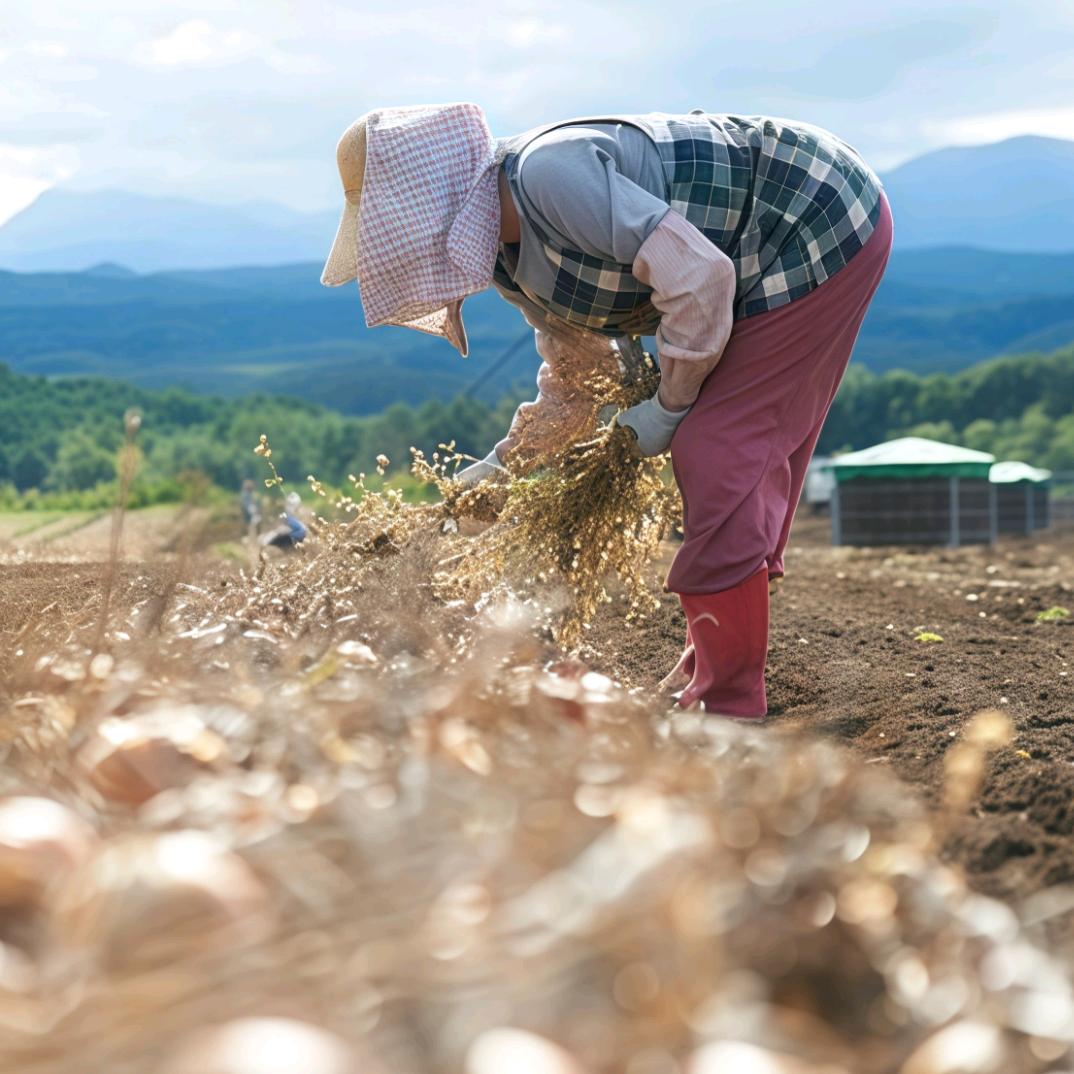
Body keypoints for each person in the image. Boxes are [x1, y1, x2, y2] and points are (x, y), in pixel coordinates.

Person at [321, 104, 892, 719]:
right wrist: (504, 466)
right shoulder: (511, 266)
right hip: (744, 265)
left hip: (815, 213)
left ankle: (729, 706)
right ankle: (713, 662)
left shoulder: (550, 178)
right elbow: (579, 382)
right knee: (729, 462)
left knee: (716, 451)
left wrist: (669, 406)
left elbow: (700, 279)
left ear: (435, 202)